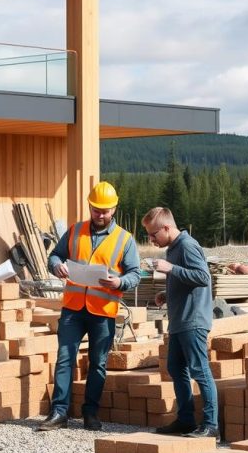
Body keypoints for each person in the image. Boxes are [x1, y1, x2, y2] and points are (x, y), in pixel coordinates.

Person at [37, 182, 141, 432]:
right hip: (73, 308)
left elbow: (136, 274)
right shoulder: (74, 231)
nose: (100, 215)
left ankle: (90, 413)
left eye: (105, 211)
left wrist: (119, 281)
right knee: (64, 359)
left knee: (98, 363)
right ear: (90, 206)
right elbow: (54, 255)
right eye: (96, 210)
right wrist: (56, 266)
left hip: (102, 312)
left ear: (114, 208)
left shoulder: (125, 240)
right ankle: (59, 412)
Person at [141, 207, 219, 439]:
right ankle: (185, 420)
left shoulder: (187, 245)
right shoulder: (173, 248)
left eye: (153, 235)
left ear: (166, 227)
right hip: (179, 321)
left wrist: (171, 269)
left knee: (200, 370)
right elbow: (184, 278)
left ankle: (211, 425)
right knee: (175, 367)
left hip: (193, 320)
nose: (151, 240)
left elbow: (203, 278)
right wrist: (167, 294)